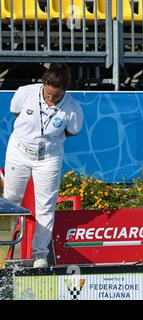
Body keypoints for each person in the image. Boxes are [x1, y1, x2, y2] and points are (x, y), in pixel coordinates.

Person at [3, 63, 83, 268]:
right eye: (48, 94)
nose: (50, 99)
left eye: (56, 96)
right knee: (11, 202)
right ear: (43, 83)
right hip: (19, 151)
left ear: (65, 90)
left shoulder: (73, 108)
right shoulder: (25, 93)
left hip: (49, 157)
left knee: (45, 206)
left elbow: (72, 132)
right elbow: (15, 112)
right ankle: (4, 251)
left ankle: (40, 253)